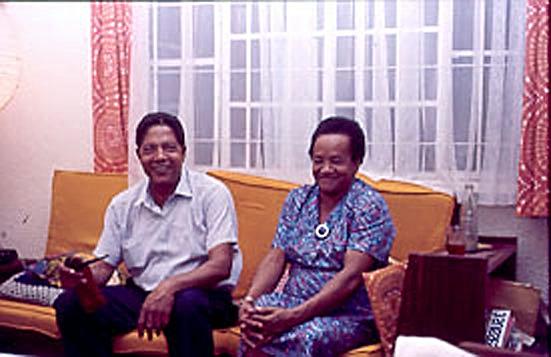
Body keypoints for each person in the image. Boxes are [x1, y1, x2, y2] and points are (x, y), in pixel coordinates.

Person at [54, 112, 242, 357]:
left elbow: (221, 266)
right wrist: (79, 278)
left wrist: (168, 288)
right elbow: (102, 268)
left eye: (169, 148)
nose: (160, 157)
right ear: (139, 155)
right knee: (71, 304)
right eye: (150, 149)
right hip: (142, 293)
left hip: (203, 295)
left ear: (183, 152)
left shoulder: (212, 194)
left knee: (187, 305)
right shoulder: (123, 205)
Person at [238, 116, 396, 356]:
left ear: (357, 162)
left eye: (336, 161)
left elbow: (352, 276)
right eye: (318, 160)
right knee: (256, 318)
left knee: (308, 336)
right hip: (293, 301)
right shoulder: (298, 200)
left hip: (348, 315)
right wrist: (249, 301)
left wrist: (294, 316)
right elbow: (276, 256)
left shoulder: (368, 205)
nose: (325, 170)